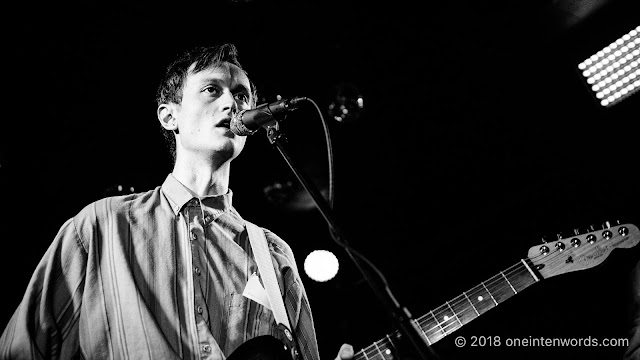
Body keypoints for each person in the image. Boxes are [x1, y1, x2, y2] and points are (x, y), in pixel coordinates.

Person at [0, 43, 353, 360]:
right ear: (170, 116)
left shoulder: (273, 254)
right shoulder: (101, 226)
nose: (232, 103)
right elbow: (20, 350)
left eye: (242, 96)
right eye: (212, 90)